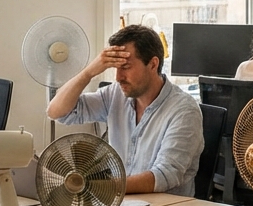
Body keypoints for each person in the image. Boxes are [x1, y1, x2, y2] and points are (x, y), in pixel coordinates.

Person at [48, 25, 203, 196]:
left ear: (153, 64)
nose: (118, 77)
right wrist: (88, 73)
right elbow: (57, 113)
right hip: (121, 204)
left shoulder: (184, 110)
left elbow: (164, 176)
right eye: (115, 68)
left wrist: (98, 187)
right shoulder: (116, 94)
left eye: (126, 67)